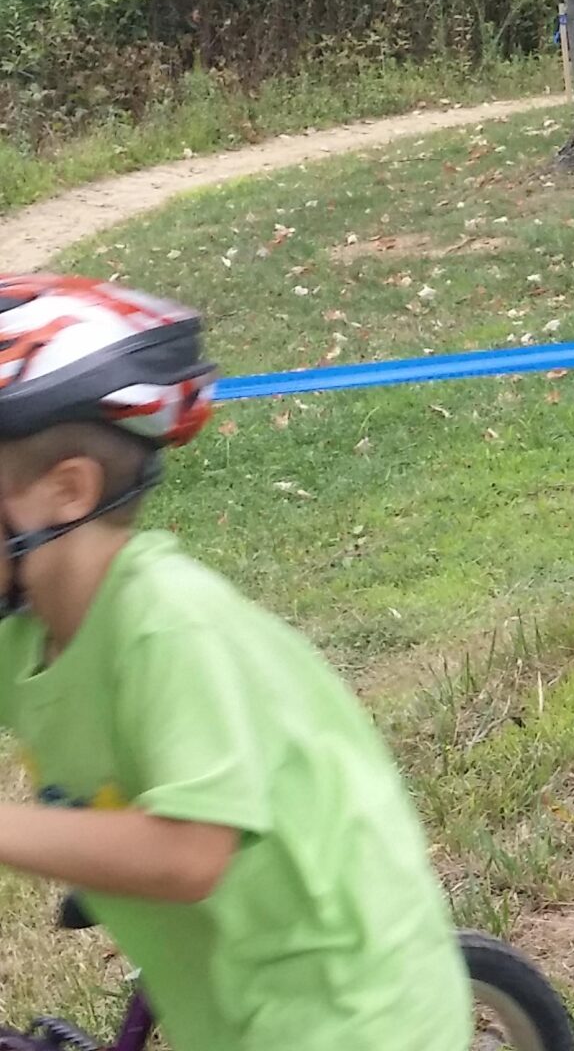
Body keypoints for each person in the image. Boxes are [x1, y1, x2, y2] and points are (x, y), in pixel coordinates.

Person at [0, 275, 473, 1051]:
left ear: (66, 491)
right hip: (228, 1008)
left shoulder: (169, 623)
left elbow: (189, 855)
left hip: (350, 1022)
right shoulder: (24, 630)